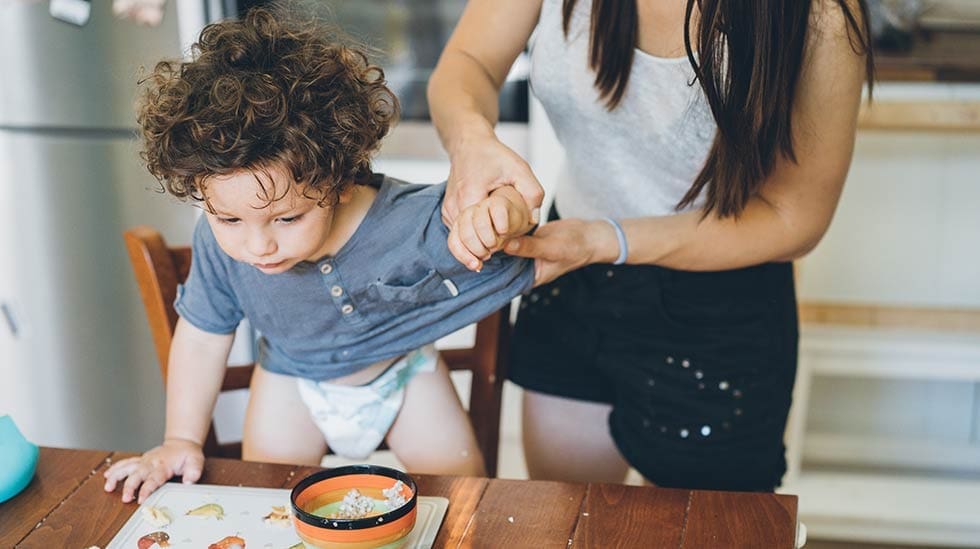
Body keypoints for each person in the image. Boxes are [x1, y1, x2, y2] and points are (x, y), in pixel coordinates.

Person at [427, 0, 875, 491]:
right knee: (571, 523)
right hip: (572, 275)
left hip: (719, 305)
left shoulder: (819, 15)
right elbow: (469, 62)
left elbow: (796, 218)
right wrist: (470, 140)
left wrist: (605, 239)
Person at [103, 6, 535, 504]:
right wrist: (180, 440)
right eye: (229, 220)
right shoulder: (218, 245)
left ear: (341, 182)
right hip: (289, 382)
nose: (257, 245)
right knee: (268, 500)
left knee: (463, 499)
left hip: (402, 374)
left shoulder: (408, 219)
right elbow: (201, 339)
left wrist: (502, 210)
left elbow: (501, 212)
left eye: (287, 219)